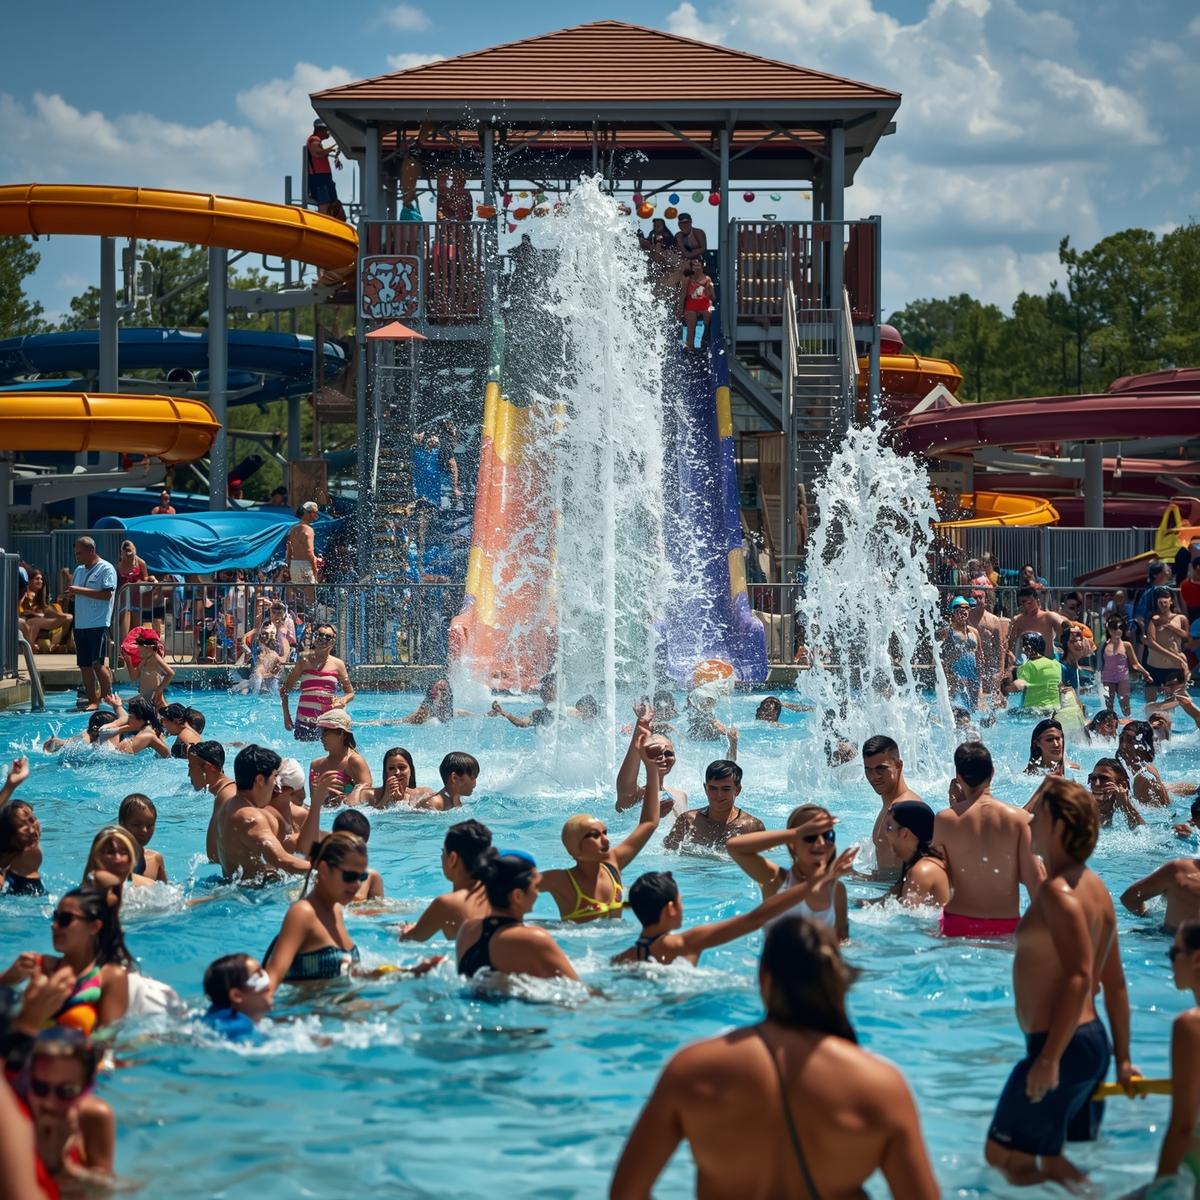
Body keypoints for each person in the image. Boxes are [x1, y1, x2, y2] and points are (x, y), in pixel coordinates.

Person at [610, 916, 939, 1200]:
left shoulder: (694, 1069)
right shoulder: (880, 1086)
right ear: (836, 980)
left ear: (764, 979)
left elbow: (626, 1193)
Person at [985, 778, 1137, 1189]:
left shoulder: (1057, 893)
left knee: (1004, 1157)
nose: (1029, 820)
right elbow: (1116, 984)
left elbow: (1080, 975)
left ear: (1061, 826)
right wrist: (1122, 1058)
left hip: (1060, 1048)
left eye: (1039, 814)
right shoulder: (1096, 888)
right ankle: (1094, 1194)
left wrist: (1049, 1059)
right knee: (1048, 1160)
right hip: (1088, 1043)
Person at [615, 837, 858, 966]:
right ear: (670, 909)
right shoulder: (685, 943)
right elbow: (756, 918)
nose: (682, 906)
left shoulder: (622, 958)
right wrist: (820, 879)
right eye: (680, 901)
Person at [538, 732, 660, 922]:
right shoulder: (561, 881)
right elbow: (508, 890)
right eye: (594, 835)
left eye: (604, 833)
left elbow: (649, 823)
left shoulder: (613, 864)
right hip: (577, 941)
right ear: (574, 846)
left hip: (619, 940)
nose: (605, 839)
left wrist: (651, 769)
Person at [933, 742, 1044, 937]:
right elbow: (1035, 881)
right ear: (992, 772)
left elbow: (939, 877)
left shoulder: (945, 820)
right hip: (1005, 927)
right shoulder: (1020, 819)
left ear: (958, 777)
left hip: (956, 924)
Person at [1, 883, 132, 1032]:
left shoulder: (109, 977)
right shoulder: (42, 967)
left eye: (65, 919)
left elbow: (108, 1038)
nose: (54, 925)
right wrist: (8, 978)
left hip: (72, 1046)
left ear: (94, 927)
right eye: (55, 917)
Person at [728, 806, 852, 941]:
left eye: (828, 835)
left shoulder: (836, 889)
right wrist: (796, 833)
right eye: (810, 836)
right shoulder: (776, 880)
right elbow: (734, 847)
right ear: (793, 842)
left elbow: (842, 939)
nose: (821, 843)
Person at [456, 849, 579, 982]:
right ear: (518, 896)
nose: (537, 893)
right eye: (535, 886)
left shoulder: (467, 930)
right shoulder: (534, 938)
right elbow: (578, 988)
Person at [1141, 920, 1200, 1194]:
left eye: (1174, 952)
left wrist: (1159, 1188)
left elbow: (1183, 1125)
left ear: (1196, 959)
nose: (1170, 960)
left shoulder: (1191, 1027)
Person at [263, 832, 365, 986]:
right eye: (350, 876)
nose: (357, 884)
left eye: (362, 877)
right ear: (323, 870)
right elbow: (273, 977)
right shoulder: (303, 913)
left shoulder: (336, 910)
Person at [18, 1028, 115, 1187]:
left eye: (66, 1092)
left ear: (85, 1089)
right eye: (40, 1087)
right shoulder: (12, 1118)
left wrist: (60, 1165)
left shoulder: (92, 1116)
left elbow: (105, 1190)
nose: (50, 1102)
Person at [215, 745, 316, 882]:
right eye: (275, 777)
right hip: (254, 893)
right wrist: (330, 870)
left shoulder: (226, 805)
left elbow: (212, 854)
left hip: (234, 886)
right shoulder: (252, 819)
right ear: (260, 780)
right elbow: (282, 860)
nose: (276, 785)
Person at [400, 819, 493, 941]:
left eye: (443, 852)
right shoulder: (497, 894)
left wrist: (404, 929)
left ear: (453, 858)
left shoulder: (447, 904)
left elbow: (409, 939)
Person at [663, 759, 764, 852]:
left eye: (725, 789)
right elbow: (668, 853)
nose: (719, 795)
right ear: (705, 788)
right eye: (713, 788)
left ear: (737, 790)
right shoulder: (688, 821)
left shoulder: (751, 827)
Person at [280, 621, 354, 741]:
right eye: (320, 634)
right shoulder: (304, 661)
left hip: (328, 722)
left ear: (333, 642)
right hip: (303, 722)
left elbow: (350, 693)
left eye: (328, 637)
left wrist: (343, 700)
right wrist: (286, 716)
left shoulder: (338, 664)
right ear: (314, 638)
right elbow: (285, 689)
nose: (323, 638)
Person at [862, 734, 922, 878]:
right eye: (868, 769)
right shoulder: (890, 805)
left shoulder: (907, 809)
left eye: (881, 768)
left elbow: (909, 877)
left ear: (898, 765)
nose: (874, 776)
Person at [67, 538, 117, 710]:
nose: (77, 557)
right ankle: (92, 700)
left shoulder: (106, 568)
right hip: (81, 624)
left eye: (79, 553)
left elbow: (106, 595)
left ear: (91, 550)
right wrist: (69, 594)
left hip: (98, 623)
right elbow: (77, 592)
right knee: (84, 665)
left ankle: (108, 698)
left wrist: (78, 590)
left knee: (97, 664)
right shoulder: (79, 570)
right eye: (76, 554)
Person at [616, 705, 686, 818]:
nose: (662, 758)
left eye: (668, 753)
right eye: (655, 753)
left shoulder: (681, 796)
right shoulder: (634, 797)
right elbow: (625, 783)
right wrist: (640, 728)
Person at [881, 800, 951, 908]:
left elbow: (907, 917)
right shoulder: (913, 863)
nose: (884, 835)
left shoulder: (922, 871)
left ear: (904, 833)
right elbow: (883, 903)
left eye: (888, 828)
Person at [201, 953, 272, 1042]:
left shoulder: (212, 1014)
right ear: (237, 996)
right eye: (258, 976)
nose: (267, 980)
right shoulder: (241, 1028)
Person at [307, 710, 372, 806]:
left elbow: (368, 796)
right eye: (320, 731)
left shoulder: (354, 762)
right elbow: (314, 803)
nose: (322, 737)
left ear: (342, 734)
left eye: (326, 731)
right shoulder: (316, 766)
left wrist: (344, 799)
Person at [1122, 854, 1200, 932]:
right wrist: (1148, 917)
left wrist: (1148, 918)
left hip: (1166, 935)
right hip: (1166, 935)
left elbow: (1130, 898)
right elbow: (1130, 898)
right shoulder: (1178, 871)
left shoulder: (1179, 871)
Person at [190, 741, 236, 865]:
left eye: (191, 767)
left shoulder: (227, 797)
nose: (189, 774)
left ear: (207, 767)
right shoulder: (223, 794)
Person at [1146, 587, 1192, 704]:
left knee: (1173, 701)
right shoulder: (1154, 619)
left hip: (1173, 666)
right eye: (1160, 603)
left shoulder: (1181, 618)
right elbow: (1151, 642)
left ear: (1171, 601)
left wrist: (1172, 628)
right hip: (1155, 664)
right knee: (1150, 702)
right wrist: (1174, 656)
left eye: (1165, 602)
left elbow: (1187, 636)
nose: (1163, 605)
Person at [1101, 615, 1151, 716]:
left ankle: (1128, 723)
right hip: (1107, 678)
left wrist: (1146, 673)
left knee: (1125, 706)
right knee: (1108, 707)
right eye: (1114, 628)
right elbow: (1099, 663)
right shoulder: (1104, 644)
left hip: (1122, 678)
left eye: (1120, 628)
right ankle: (1109, 723)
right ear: (1109, 629)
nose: (1117, 630)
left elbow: (1135, 664)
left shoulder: (1126, 645)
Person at [1005, 588, 1067, 667]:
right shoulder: (1017, 620)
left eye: (1029, 602)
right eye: (1022, 603)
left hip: (1047, 662)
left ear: (1037, 600)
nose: (1026, 605)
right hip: (1025, 664)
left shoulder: (1049, 617)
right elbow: (1010, 645)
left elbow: (1065, 629)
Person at [938, 595, 981, 708]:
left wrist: (980, 675)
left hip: (972, 676)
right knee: (954, 707)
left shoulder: (974, 632)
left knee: (973, 707)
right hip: (954, 676)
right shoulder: (947, 632)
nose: (962, 612)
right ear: (953, 613)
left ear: (969, 611)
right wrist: (947, 673)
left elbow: (979, 655)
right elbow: (938, 655)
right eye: (958, 611)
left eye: (965, 609)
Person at [81, 825, 154, 890]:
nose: (117, 859)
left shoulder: (150, 888)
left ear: (132, 857)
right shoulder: (83, 896)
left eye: (124, 852)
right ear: (96, 858)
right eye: (110, 852)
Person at [1004, 631, 1063, 710]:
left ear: (1028, 649)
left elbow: (1018, 685)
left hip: (1034, 711)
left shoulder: (1029, 666)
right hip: (1055, 708)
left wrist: (1006, 687)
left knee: (1009, 712)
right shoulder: (1056, 664)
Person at [1118, 720, 1170, 807]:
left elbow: (1153, 815)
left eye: (1130, 740)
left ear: (1142, 746)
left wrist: (1125, 803)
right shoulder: (1136, 769)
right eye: (1121, 739)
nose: (1123, 746)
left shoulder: (1143, 778)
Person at [17, 568, 72, 649]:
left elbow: (44, 612)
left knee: (68, 617)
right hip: (28, 621)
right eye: (37, 579)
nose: (40, 581)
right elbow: (23, 612)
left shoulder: (41, 596)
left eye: (41, 579)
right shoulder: (24, 594)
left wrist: (37, 614)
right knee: (35, 622)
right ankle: (30, 646)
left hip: (41, 619)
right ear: (29, 581)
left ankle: (55, 645)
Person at [117, 794, 167, 883]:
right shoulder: (111, 861)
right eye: (136, 825)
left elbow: (167, 891)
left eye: (150, 825)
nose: (144, 831)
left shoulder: (155, 860)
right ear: (121, 825)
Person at [362, 746, 433, 808]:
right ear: (386, 772)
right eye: (391, 768)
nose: (397, 772)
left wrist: (402, 801)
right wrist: (385, 797)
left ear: (411, 770)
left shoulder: (423, 794)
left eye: (401, 767)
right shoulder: (369, 795)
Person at [104, 696, 170, 757]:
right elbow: (124, 717)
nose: (129, 719)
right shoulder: (151, 725)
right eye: (130, 715)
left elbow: (118, 755)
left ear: (144, 719)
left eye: (132, 717)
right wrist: (117, 706)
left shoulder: (147, 735)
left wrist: (117, 733)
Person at [1088, 757, 1144, 829]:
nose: (1096, 784)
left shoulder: (1136, 808)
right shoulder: (1085, 804)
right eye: (1093, 778)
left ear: (1123, 786)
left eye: (1104, 778)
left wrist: (1125, 804)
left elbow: (1142, 831)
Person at [126, 629, 174, 707]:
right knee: (125, 704)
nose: (137, 649)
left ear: (149, 647)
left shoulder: (155, 658)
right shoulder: (144, 660)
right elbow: (133, 677)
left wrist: (159, 689)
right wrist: (128, 662)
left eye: (139, 647)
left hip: (154, 699)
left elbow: (171, 673)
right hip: (145, 698)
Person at [305, 119, 343, 216]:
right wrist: (331, 149)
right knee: (325, 204)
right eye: (326, 130)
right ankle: (322, 221)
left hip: (324, 177)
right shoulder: (314, 139)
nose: (328, 132)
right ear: (320, 130)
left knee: (334, 205)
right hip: (319, 178)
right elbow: (317, 153)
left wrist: (335, 156)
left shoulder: (316, 141)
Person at [285, 500, 322, 591]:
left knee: (298, 597)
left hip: (294, 564)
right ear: (309, 513)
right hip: (305, 565)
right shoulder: (308, 530)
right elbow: (309, 552)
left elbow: (289, 550)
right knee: (310, 597)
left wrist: (290, 566)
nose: (316, 516)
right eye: (315, 513)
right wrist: (314, 569)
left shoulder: (293, 529)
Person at [678, 263, 714, 352]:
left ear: (702, 267)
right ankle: (690, 347)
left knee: (707, 321)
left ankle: (704, 344)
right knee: (691, 327)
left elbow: (712, 297)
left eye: (698, 265)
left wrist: (707, 290)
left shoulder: (707, 279)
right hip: (691, 305)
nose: (696, 268)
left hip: (704, 304)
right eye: (694, 266)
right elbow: (683, 294)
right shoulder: (687, 278)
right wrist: (680, 309)